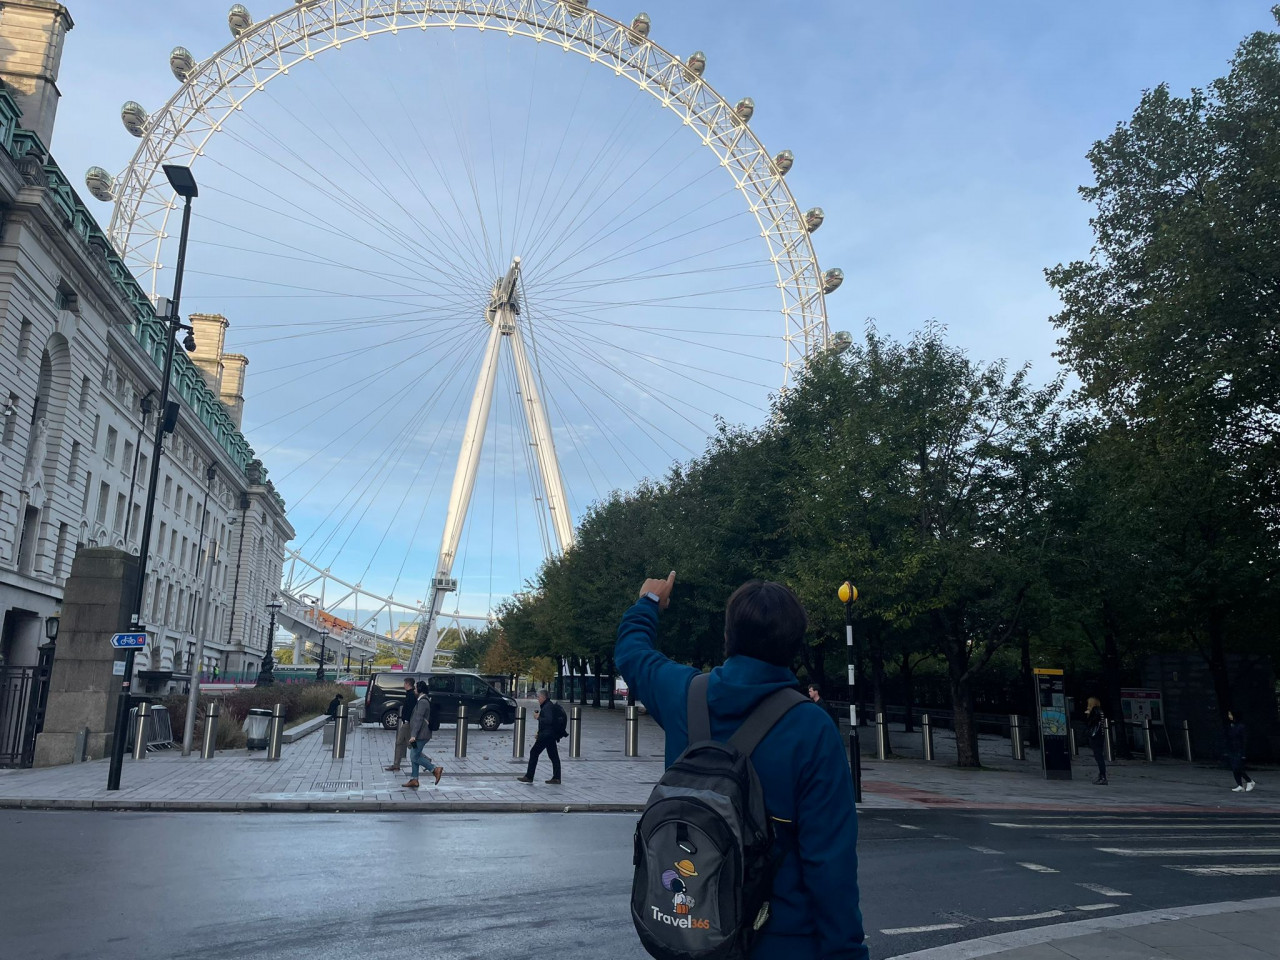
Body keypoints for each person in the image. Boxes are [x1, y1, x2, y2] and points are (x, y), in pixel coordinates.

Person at [616, 572, 868, 960]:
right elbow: (830, 867)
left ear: (727, 637)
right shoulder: (811, 728)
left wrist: (648, 602)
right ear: (794, 646)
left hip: (695, 941)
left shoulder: (684, 694)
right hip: (783, 943)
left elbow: (632, 653)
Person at [516, 689, 563, 785]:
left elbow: (548, 721)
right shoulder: (548, 705)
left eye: (538, 697)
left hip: (546, 735)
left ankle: (529, 776)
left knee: (534, 752)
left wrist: (538, 717)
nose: (538, 699)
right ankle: (557, 778)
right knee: (553, 756)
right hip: (550, 735)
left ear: (543, 697)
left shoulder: (547, 707)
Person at [403, 680, 443, 789]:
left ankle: (434, 769)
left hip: (420, 735)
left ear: (420, 690)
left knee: (414, 756)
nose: (414, 690)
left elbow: (418, 719)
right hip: (418, 734)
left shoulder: (423, 702)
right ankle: (414, 779)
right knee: (415, 754)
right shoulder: (422, 700)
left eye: (415, 688)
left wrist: (413, 735)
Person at [385, 677, 418, 772]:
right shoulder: (410, 694)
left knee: (408, 744)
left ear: (408, 684)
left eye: (404, 683)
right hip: (407, 722)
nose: (403, 685)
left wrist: (406, 719)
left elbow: (410, 709)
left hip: (407, 723)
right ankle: (396, 764)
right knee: (404, 743)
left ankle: (424, 759)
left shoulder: (411, 695)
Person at [1226, 711, 1256, 793]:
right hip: (1233, 749)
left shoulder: (1241, 726)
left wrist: (1243, 753)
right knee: (1235, 768)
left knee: (1237, 767)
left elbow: (1244, 740)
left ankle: (1249, 781)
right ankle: (1240, 785)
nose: (1229, 716)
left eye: (1230, 714)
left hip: (1239, 750)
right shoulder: (1232, 726)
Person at [1085, 696, 1108, 785]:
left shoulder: (1094, 711)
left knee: (1099, 757)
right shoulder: (1100, 711)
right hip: (1100, 736)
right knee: (1099, 756)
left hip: (1096, 736)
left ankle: (1102, 776)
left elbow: (1090, 722)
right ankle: (1102, 775)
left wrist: (1088, 714)